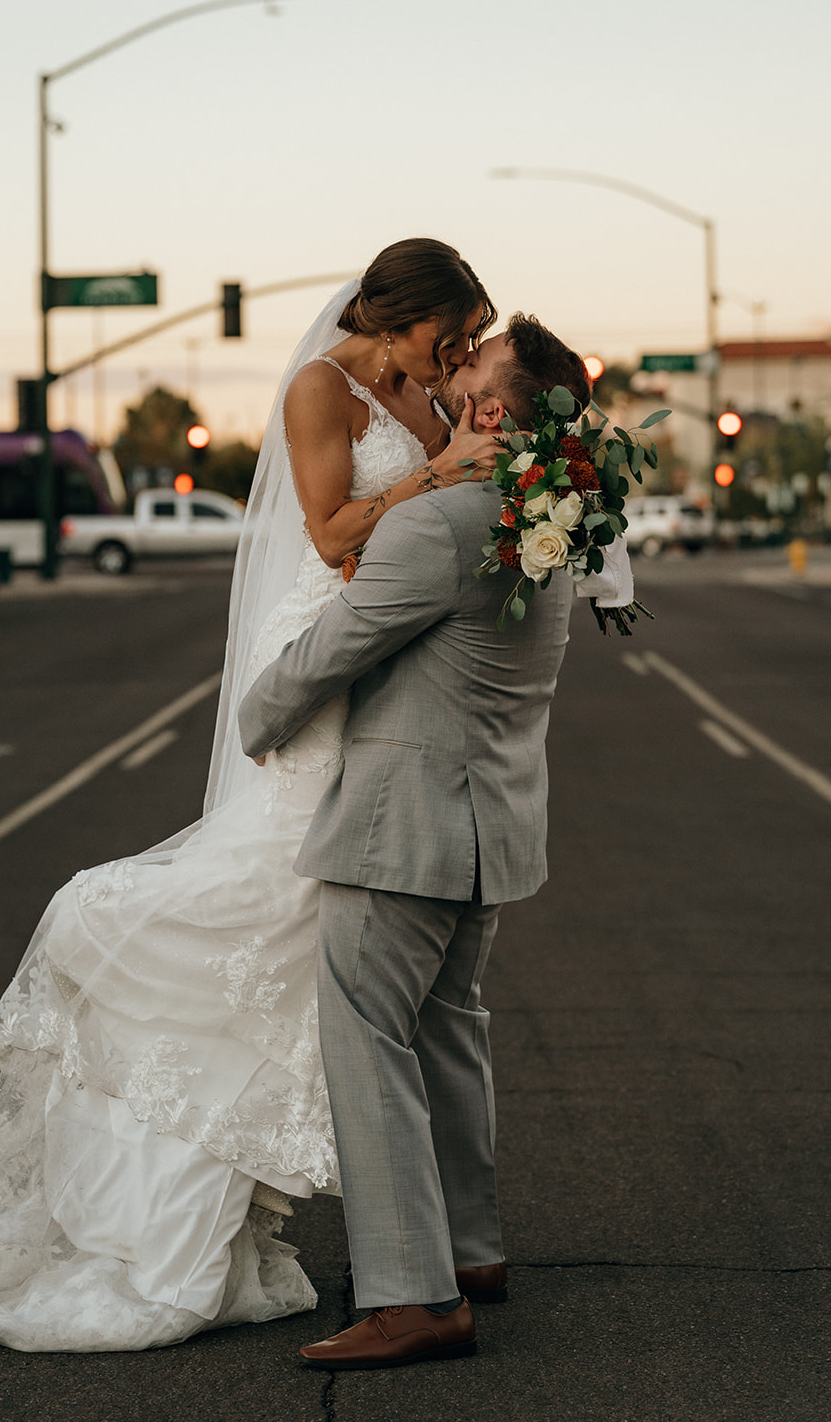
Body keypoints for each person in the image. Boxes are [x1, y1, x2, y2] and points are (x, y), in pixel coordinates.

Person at [0, 241, 501, 1355]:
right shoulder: (321, 387)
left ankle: (406, 1231)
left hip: (392, 662)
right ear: (392, 317)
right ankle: (184, 1183)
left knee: (339, 943)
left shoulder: (420, 386)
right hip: (324, 644)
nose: (449, 357)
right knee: (285, 901)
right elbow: (331, 534)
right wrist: (436, 478)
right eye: (441, 335)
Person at [238, 310, 597, 1372]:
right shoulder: (549, 517)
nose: (450, 372)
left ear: (489, 411)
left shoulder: (439, 524)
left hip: (404, 827)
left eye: (469, 364)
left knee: (366, 1037)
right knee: (446, 1031)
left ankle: (411, 1294)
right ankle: (469, 1248)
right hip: (489, 820)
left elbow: (337, 647)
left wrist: (251, 718)